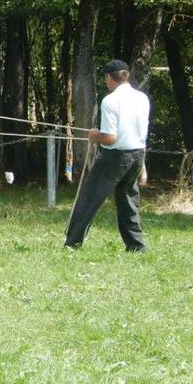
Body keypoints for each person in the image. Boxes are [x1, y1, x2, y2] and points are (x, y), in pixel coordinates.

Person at [64, 59, 150, 252]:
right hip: (137, 155)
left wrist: (95, 136)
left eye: (106, 78)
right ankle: (136, 246)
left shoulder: (110, 101)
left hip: (115, 157)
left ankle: (73, 243)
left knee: (89, 197)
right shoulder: (142, 98)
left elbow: (110, 138)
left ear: (110, 78)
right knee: (128, 202)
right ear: (126, 76)